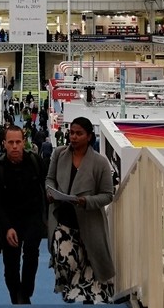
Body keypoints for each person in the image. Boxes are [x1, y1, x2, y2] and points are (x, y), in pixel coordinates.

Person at [46, 116, 115, 304]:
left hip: (89, 223)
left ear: (89, 136)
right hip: (62, 220)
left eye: (79, 133)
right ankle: (69, 290)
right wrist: (51, 192)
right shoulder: (59, 154)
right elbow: (49, 179)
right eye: (72, 132)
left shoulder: (100, 163)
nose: (74, 137)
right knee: (65, 261)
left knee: (89, 265)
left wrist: (86, 201)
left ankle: (77, 297)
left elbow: (108, 194)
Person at [0, 126, 46, 305]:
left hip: (33, 218)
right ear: (4, 144)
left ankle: (25, 294)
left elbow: (46, 189)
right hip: (9, 221)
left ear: (24, 142)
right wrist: (7, 227)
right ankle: (16, 297)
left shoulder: (35, 161)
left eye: (18, 142)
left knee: (31, 254)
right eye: (11, 142)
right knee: (11, 264)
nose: (15, 146)